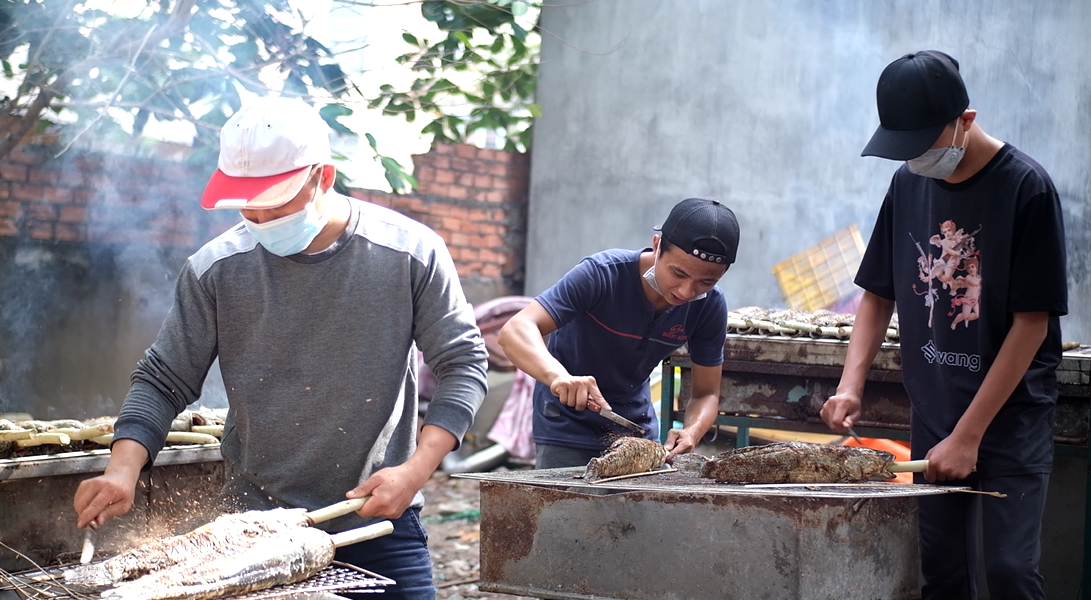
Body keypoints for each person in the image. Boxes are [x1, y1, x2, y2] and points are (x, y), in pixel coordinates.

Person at [73, 97, 489, 600]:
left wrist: (415, 471)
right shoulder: (216, 268)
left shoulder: (409, 252)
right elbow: (164, 379)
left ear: (323, 177)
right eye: (247, 204)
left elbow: (463, 364)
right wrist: (121, 472)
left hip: (377, 518)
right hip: (250, 528)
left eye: (276, 201)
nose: (261, 216)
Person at [820, 50, 1067, 600]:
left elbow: (1031, 325)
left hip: (1008, 420)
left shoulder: (1027, 188)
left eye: (923, 144)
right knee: (942, 571)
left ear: (965, 121)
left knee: (1009, 570)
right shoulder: (908, 183)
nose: (914, 159)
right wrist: (850, 385)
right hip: (933, 412)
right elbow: (878, 293)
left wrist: (969, 436)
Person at [498, 198, 740, 468]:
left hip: (635, 430)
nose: (686, 291)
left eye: (706, 281)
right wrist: (558, 377)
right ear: (657, 245)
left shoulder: (709, 305)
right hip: (566, 424)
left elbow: (706, 394)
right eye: (678, 273)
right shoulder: (601, 274)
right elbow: (515, 329)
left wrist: (691, 431)